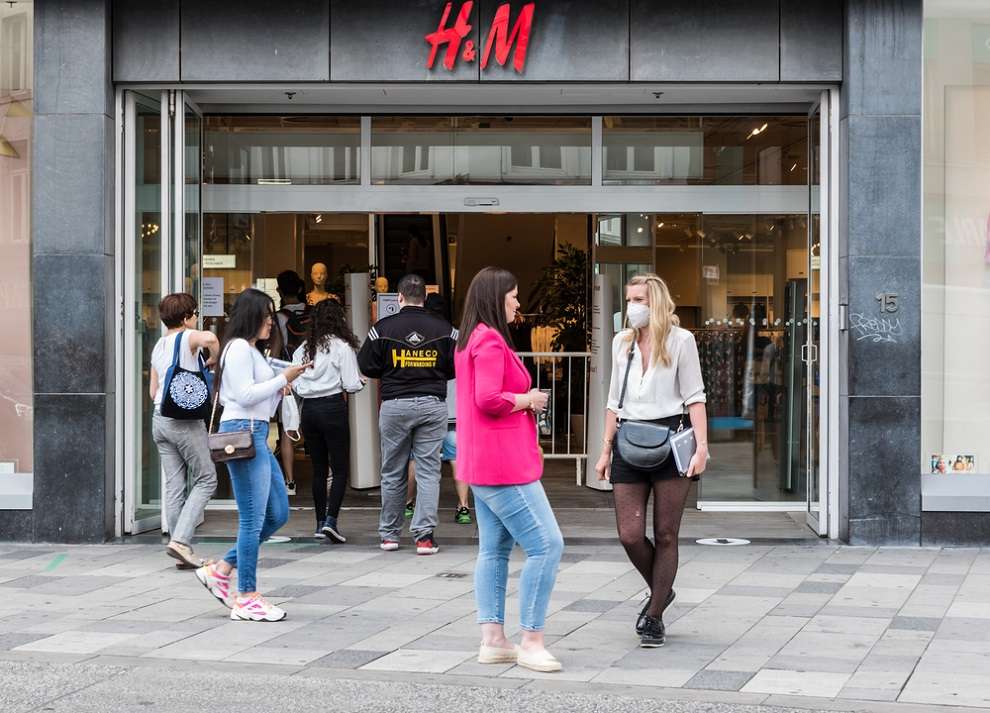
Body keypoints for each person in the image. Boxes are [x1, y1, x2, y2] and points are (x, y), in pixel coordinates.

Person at [456, 267, 564, 674]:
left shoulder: (471, 338)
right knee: (547, 545)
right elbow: (487, 398)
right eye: (514, 295)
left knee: (493, 550)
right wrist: (527, 399)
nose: (518, 303)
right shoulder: (489, 339)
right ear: (496, 297)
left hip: (482, 463)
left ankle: (494, 640)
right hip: (504, 465)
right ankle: (531, 641)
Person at [594, 274, 709, 648]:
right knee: (629, 534)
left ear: (656, 302)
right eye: (629, 300)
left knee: (665, 533)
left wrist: (702, 448)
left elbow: (695, 397)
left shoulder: (681, 341)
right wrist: (605, 451)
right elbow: (613, 402)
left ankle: (655, 614)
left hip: (672, 438)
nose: (632, 307)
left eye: (639, 300)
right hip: (629, 439)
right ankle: (663, 590)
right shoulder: (622, 343)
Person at [195, 289, 310, 622]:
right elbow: (245, 396)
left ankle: (221, 569)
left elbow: (261, 403)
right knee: (253, 519)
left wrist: (280, 387)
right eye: (266, 315)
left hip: (255, 432)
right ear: (251, 316)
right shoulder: (238, 350)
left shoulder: (251, 351)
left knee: (278, 513)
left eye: (271, 315)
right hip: (243, 434)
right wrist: (282, 379)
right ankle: (246, 596)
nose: (271, 322)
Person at [357, 274, 456, 555]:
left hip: (395, 404)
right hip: (432, 403)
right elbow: (455, 366)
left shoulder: (382, 328)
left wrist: (392, 371)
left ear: (399, 297)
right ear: (424, 297)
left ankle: (389, 535)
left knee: (392, 470)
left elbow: (366, 364)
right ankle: (424, 537)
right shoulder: (445, 329)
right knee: (429, 471)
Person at [149, 293, 220, 569]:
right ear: (186, 317)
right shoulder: (187, 337)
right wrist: (213, 359)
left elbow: (153, 391)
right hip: (184, 422)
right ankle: (180, 541)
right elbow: (211, 339)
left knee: (175, 485)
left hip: (160, 418)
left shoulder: (159, 345)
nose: (197, 317)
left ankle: (181, 549)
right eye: (195, 313)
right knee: (207, 478)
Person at [292, 299, 364, 543]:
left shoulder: (303, 349)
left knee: (319, 469)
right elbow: (351, 384)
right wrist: (359, 382)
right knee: (340, 468)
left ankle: (319, 522)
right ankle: (332, 521)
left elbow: (295, 383)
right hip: (333, 407)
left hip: (309, 410)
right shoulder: (342, 347)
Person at [404, 293, 471, 525]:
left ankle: (409, 504)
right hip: (454, 409)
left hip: (424, 406)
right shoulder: (458, 337)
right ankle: (463, 507)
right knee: (457, 458)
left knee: (415, 458)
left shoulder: (418, 337)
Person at [271, 269, 309, 495]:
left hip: (289, 377)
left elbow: (276, 352)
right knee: (313, 427)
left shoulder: (278, 318)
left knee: (286, 428)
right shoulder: (313, 313)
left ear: (279, 291)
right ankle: (326, 476)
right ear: (301, 288)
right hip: (313, 376)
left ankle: (290, 482)